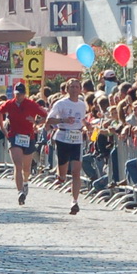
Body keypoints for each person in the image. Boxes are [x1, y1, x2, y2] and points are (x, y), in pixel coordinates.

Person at [45, 77, 90, 215]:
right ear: (67, 89)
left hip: (76, 138)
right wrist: (63, 120)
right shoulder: (61, 103)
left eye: (77, 87)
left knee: (76, 171)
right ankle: (61, 177)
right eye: (72, 87)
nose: (75, 89)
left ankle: (74, 202)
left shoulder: (82, 104)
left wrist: (86, 124)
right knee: (64, 172)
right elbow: (49, 120)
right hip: (63, 137)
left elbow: (81, 118)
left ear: (80, 89)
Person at [0, 83, 45, 205]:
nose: (19, 96)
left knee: (26, 168)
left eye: (21, 94)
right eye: (17, 94)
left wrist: (36, 122)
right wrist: (3, 129)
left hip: (28, 137)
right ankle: (20, 192)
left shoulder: (31, 104)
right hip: (14, 136)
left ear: (25, 94)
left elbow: (46, 115)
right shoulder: (9, 104)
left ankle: (25, 182)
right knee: (17, 165)